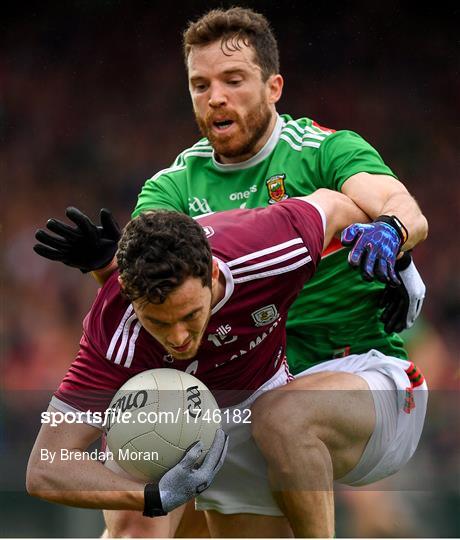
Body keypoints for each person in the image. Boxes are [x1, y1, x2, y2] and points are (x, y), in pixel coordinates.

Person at [33, 6, 428, 537]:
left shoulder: (321, 154)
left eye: (233, 79)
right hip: (247, 393)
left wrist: (394, 240)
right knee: (137, 491)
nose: (215, 95)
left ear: (273, 87)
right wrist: (108, 266)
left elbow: (396, 206)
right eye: (200, 84)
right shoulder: (171, 187)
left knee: (285, 418)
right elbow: (155, 294)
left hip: (359, 377)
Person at [30, 189, 369, 537]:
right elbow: (45, 465)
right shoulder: (116, 326)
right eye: (158, 322)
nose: (178, 338)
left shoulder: (272, 247)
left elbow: (342, 205)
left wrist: (397, 254)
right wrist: (152, 496)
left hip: (256, 406)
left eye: (190, 315)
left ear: (211, 274)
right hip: (160, 419)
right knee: (136, 529)